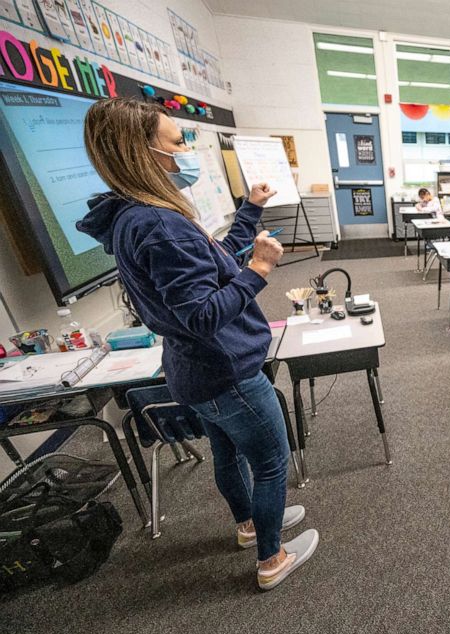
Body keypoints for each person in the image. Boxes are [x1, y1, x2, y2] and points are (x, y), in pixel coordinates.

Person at [77, 97, 318, 591]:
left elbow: (216, 264)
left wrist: (250, 211)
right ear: (144, 152)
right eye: (177, 141)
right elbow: (204, 314)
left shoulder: (137, 216)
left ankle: (251, 526)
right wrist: (261, 270)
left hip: (196, 371)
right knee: (271, 462)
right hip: (226, 370)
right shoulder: (159, 225)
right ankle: (272, 559)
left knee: (228, 454)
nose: (186, 149)